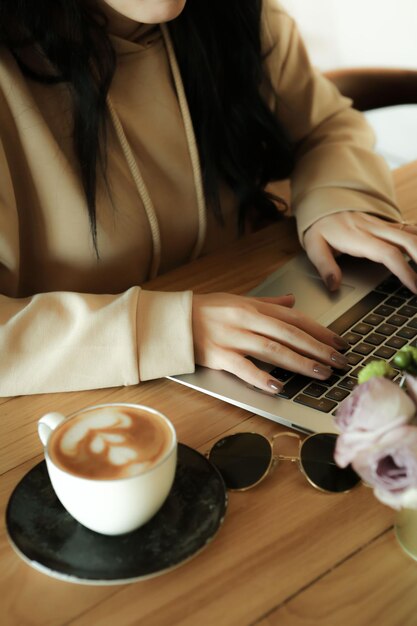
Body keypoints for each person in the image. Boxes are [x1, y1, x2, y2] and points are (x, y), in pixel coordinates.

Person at [0, 0, 416, 397]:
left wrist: (339, 200)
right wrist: (172, 329)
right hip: (95, 401)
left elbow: (324, 126)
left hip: (269, 315)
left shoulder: (237, 12)